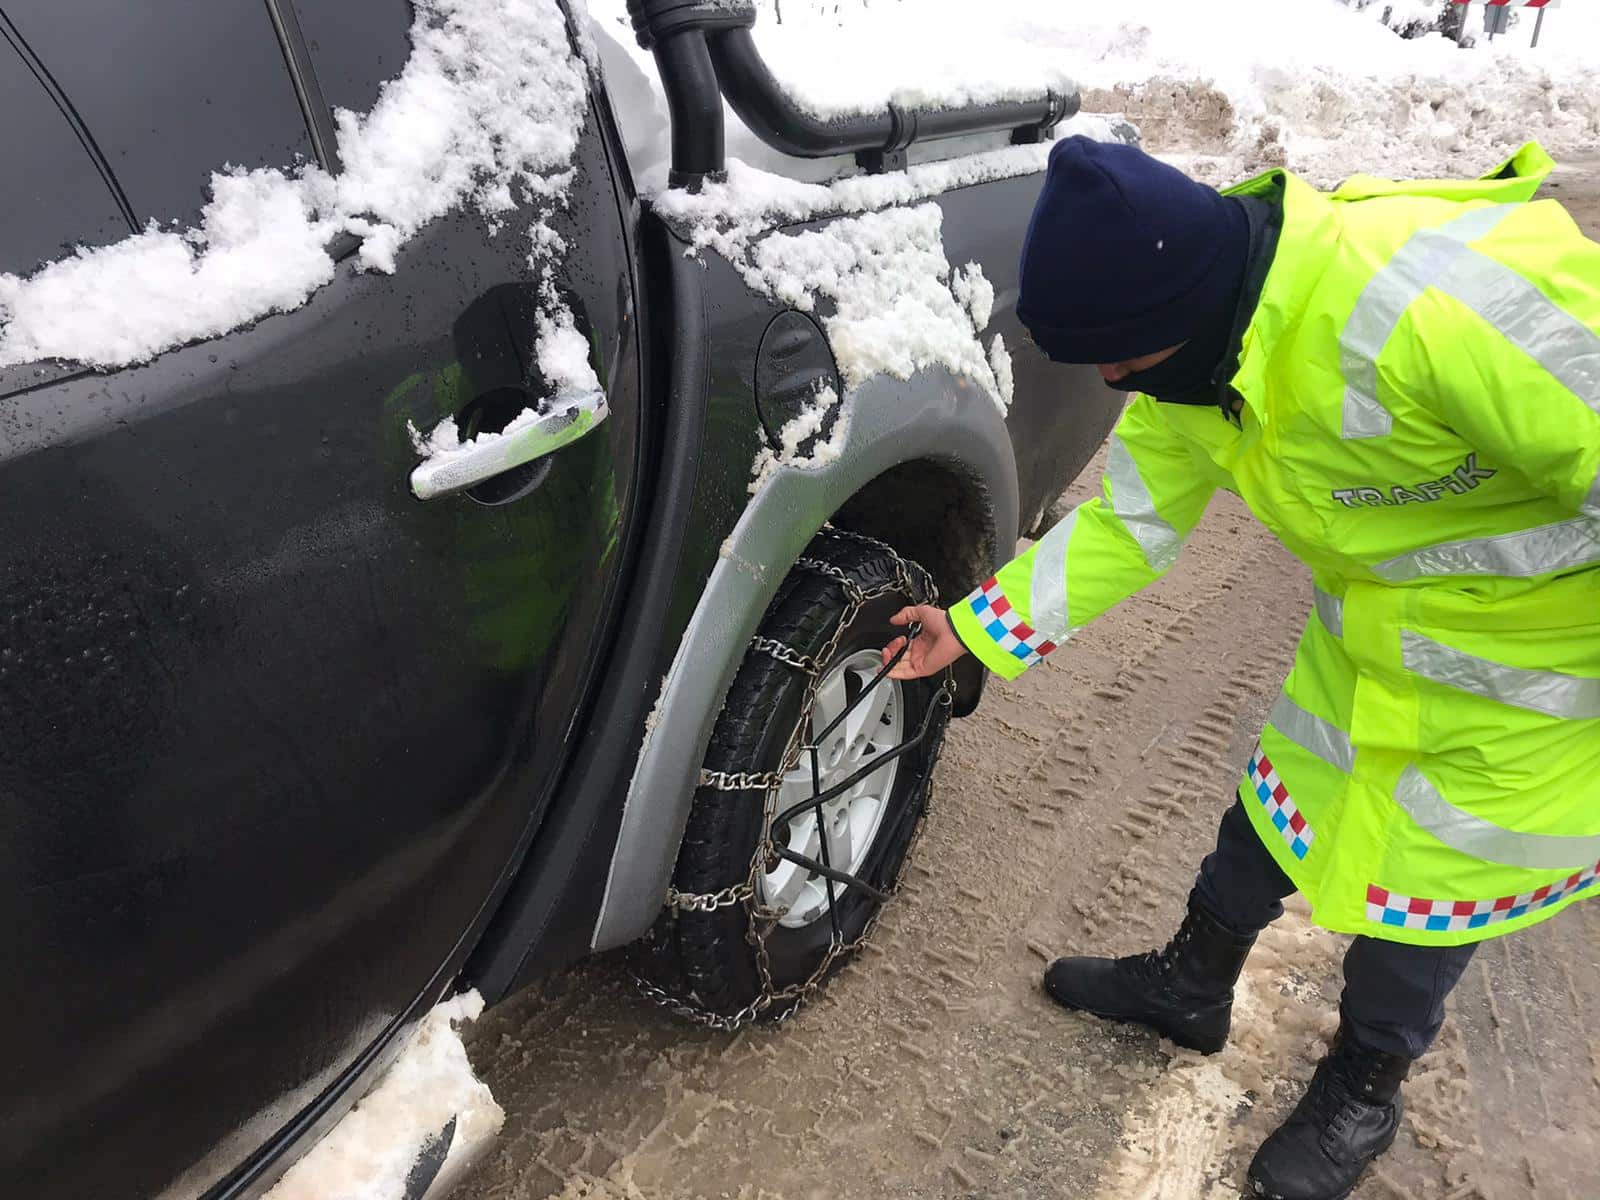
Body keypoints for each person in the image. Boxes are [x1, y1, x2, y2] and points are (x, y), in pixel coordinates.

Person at [881, 136, 1600, 1200]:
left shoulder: (1427, 300)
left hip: (1534, 670)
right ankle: (1191, 985)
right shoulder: (1200, 360)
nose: (1114, 382)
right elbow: (1129, 524)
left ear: (1186, 301)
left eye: (1120, 359)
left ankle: (1366, 1082)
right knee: (1276, 803)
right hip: (1374, 635)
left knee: (1436, 886)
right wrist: (976, 628)